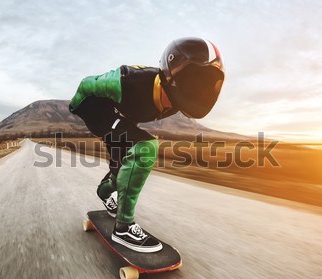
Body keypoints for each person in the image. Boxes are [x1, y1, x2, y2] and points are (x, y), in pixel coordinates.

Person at [69, 37, 225, 253]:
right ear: (172, 73)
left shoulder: (178, 100)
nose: (197, 88)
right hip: (97, 110)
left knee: (121, 167)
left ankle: (105, 193)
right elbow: (87, 84)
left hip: (121, 118)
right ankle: (123, 228)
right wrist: (76, 108)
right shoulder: (127, 81)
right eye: (192, 79)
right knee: (145, 147)